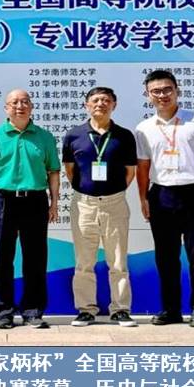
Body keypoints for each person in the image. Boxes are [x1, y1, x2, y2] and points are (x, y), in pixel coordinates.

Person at [135, 69, 194, 328]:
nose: (162, 95)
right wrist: (143, 199)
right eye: (156, 91)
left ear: (177, 91)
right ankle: (170, 309)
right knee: (166, 257)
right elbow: (143, 167)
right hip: (161, 195)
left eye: (167, 89)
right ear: (147, 95)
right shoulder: (143, 128)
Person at [0, 89, 61, 329]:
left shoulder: (44, 137)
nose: (20, 106)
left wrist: (54, 203)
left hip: (35, 200)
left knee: (35, 258)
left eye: (25, 102)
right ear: (6, 108)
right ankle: (3, 312)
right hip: (1, 200)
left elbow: (53, 171)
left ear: (32, 106)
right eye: (14, 102)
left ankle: (33, 311)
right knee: (1, 259)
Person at [62, 87, 138, 327]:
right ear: (86, 105)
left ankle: (120, 309)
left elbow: (130, 172)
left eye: (106, 100)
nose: (100, 104)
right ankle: (86, 309)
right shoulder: (74, 135)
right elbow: (70, 171)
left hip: (115, 203)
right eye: (95, 100)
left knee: (118, 261)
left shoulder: (124, 136)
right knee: (84, 261)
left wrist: (111, 192)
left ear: (114, 105)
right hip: (84, 204)